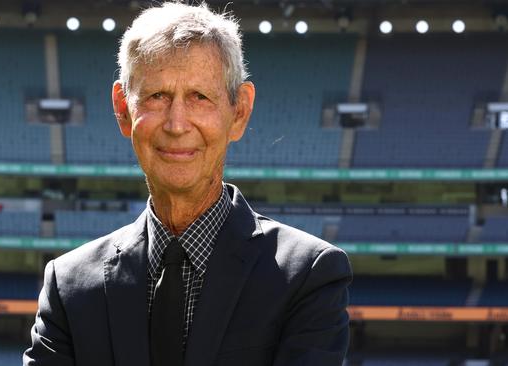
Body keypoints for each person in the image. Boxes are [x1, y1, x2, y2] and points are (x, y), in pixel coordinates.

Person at [23, 2, 352, 366]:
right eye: (156, 96)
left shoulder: (308, 277)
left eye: (200, 97)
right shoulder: (69, 287)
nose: (177, 124)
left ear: (239, 112)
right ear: (123, 110)